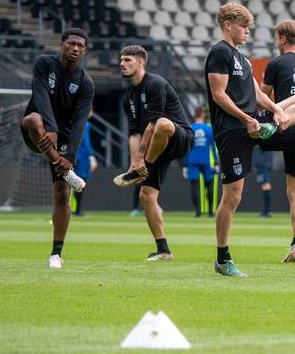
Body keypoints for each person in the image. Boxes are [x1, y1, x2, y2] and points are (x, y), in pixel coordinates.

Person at [205, 2, 294, 277]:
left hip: (251, 126)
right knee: (233, 195)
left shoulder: (242, 59)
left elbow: (256, 94)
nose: (247, 32)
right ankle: (222, 258)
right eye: (243, 26)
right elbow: (219, 95)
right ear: (228, 25)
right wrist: (246, 119)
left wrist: (277, 108)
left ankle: (289, 128)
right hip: (234, 130)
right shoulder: (220, 53)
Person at [18, 28, 94, 269]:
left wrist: (69, 156)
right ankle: (69, 175)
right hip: (37, 132)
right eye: (71, 43)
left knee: (62, 195)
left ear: (84, 50)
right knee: (32, 119)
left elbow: (80, 122)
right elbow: (39, 96)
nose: (75, 48)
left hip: (62, 139)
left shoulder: (85, 83)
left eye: (80, 46)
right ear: (62, 45)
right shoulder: (44, 64)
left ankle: (56, 254)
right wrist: (50, 126)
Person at [112, 45, 195, 261]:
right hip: (156, 148)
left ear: (141, 62)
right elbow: (134, 134)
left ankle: (143, 169)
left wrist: (142, 161)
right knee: (146, 196)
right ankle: (163, 250)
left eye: (128, 60)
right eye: (121, 60)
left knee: (162, 123)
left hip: (179, 138)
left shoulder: (155, 84)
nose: (122, 63)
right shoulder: (128, 97)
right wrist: (133, 163)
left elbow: (151, 125)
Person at [259, 19, 295, 262]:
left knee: (250, 135)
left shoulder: (276, 63)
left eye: (276, 38)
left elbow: (263, 99)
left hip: (283, 127)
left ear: (283, 38)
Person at [183, 106, 217, 217]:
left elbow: (186, 148)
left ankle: (197, 211)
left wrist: (185, 165)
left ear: (194, 115)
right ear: (202, 114)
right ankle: (211, 211)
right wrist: (217, 162)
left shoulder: (190, 128)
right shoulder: (208, 129)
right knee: (209, 184)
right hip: (205, 160)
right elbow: (213, 146)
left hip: (192, 160)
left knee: (194, 185)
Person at [72, 114, 94, 216]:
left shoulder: (73, 122)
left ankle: (72, 209)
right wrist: (91, 156)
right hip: (82, 157)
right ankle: (76, 211)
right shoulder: (85, 124)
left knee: (72, 184)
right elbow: (86, 142)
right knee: (80, 184)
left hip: (73, 156)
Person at [252, 146, 274, 218]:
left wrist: (257, 163)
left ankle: (267, 211)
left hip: (263, 164)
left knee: (266, 186)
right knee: (264, 186)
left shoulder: (262, 138)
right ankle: (267, 211)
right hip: (264, 164)